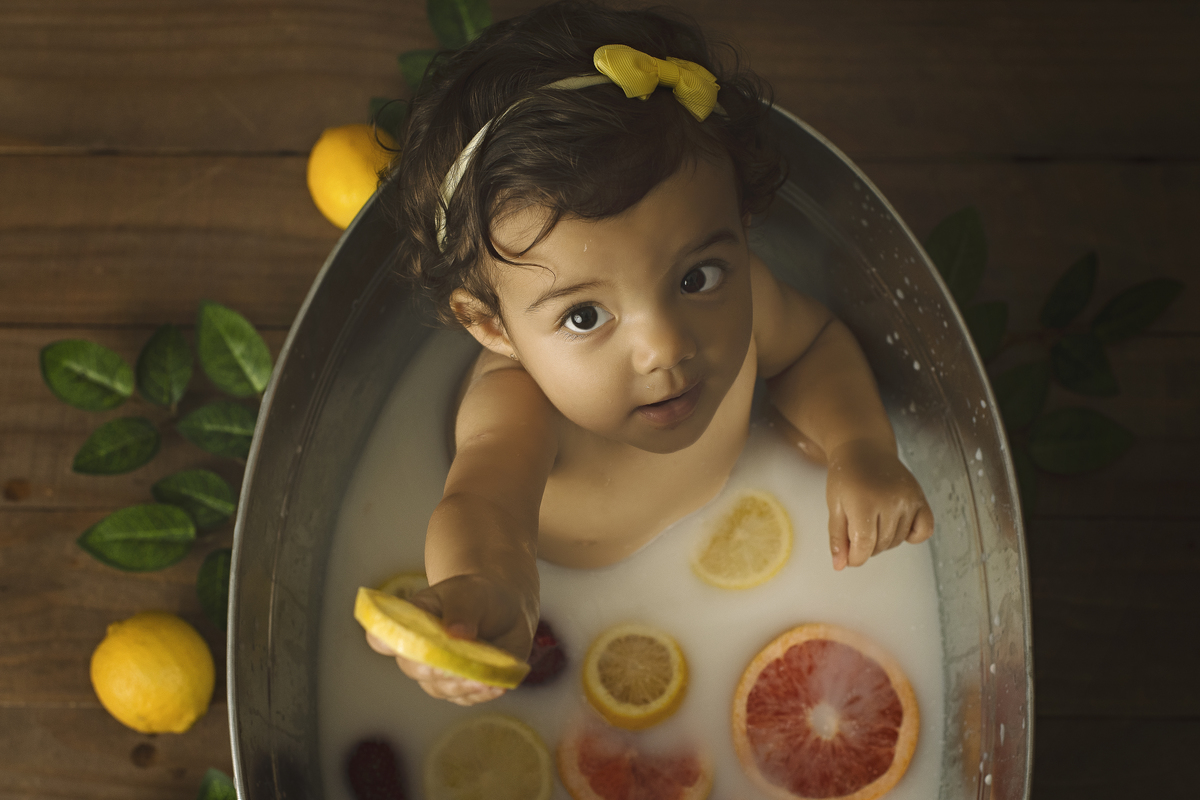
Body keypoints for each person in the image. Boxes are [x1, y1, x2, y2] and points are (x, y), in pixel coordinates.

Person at [366, 0, 934, 705]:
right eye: (584, 316)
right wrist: (484, 589)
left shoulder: (750, 298)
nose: (666, 345)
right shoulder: (516, 405)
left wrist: (859, 448)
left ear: (742, 225)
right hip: (583, 594)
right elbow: (486, 509)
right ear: (492, 327)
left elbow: (812, 346)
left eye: (696, 277)